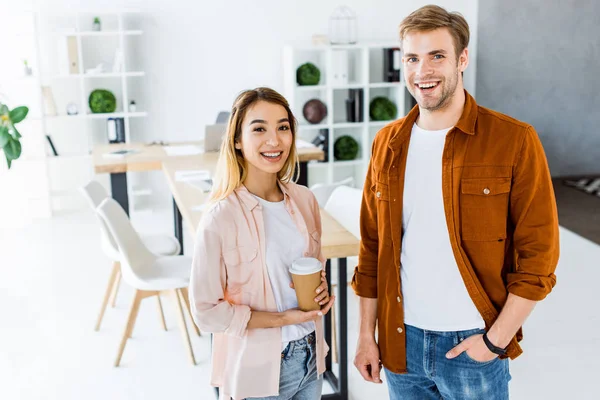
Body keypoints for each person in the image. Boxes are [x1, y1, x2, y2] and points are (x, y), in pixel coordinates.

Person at [351, 5, 559, 400]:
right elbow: (371, 249)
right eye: (412, 58)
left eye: (437, 56)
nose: (422, 71)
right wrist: (367, 335)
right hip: (401, 344)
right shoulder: (387, 144)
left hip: (473, 344)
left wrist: (494, 342)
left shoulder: (514, 140)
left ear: (462, 59)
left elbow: (539, 258)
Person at [189, 87, 334, 400]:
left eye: (283, 127)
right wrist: (282, 320)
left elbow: (312, 267)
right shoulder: (220, 217)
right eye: (259, 129)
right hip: (258, 368)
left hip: (310, 355)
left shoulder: (304, 199)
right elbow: (205, 312)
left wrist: (322, 289)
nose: (274, 140)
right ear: (238, 141)